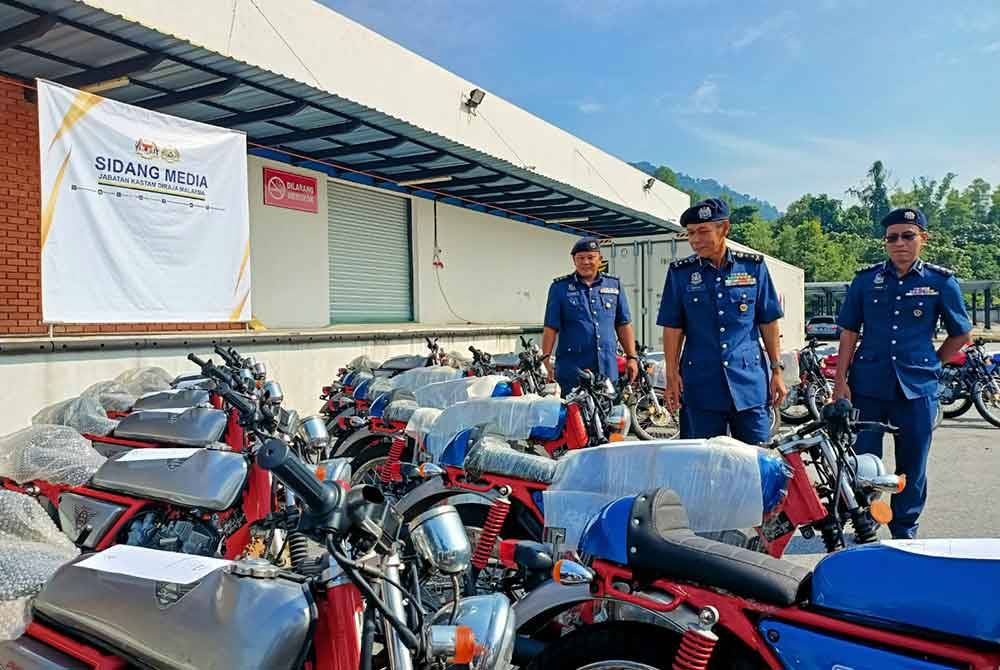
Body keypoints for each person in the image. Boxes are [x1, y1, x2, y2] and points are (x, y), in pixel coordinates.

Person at [833, 207, 971, 539]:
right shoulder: (865, 281)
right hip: (867, 386)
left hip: (917, 389)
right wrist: (840, 381)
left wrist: (934, 363)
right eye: (892, 237)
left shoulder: (941, 282)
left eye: (908, 236)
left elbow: (961, 333)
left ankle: (904, 529)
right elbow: (849, 332)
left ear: (923, 238)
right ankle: (865, 522)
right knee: (864, 463)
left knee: (912, 466)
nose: (899, 243)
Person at [657, 198, 787, 444]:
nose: (695, 240)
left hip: (748, 385)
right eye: (691, 233)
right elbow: (673, 329)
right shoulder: (680, 274)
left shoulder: (753, 268)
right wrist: (672, 376)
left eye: (703, 231)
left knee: (756, 461)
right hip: (701, 387)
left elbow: (768, 323)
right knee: (701, 466)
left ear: (724, 228)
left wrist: (777, 371)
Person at [542, 237, 638, 395]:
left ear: (600, 259)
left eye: (590, 257)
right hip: (572, 369)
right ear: (574, 260)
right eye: (580, 258)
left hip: (606, 368)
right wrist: (545, 360)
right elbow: (550, 328)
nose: (585, 262)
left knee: (609, 414)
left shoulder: (614, 285)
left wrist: (632, 357)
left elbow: (623, 324)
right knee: (575, 416)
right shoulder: (559, 288)